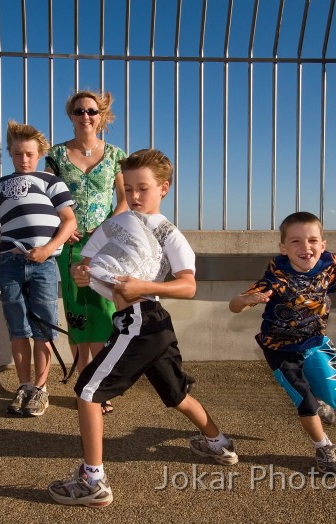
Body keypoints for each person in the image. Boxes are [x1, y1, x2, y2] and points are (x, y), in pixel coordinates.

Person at [47, 149, 237, 507]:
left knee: (87, 393)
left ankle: (93, 481)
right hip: (144, 324)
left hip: (142, 321)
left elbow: (188, 286)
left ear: (163, 188)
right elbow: (85, 265)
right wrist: (80, 274)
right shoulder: (113, 224)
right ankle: (220, 444)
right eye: (128, 188)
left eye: (143, 188)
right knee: (177, 396)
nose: (134, 196)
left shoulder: (169, 234)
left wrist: (144, 287)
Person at [228, 211, 336, 475]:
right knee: (304, 401)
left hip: (315, 342)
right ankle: (323, 448)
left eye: (312, 240)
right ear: (283, 248)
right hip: (281, 350)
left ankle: (323, 400)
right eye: (295, 241)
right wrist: (245, 300)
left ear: (322, 244)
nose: (305, 247)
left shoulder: (328, 266)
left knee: (332, 397)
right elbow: (235, 304)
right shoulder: (276, 280)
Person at [0, 120, 76, 417]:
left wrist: (48, 249)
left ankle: (41, 389)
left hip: (44, 264)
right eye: (18, 154)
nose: (24, 160)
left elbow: (69, 221)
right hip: (10, 264)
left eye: (30, 154)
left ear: (40, 154)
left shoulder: (52, 182)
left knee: (43, 329)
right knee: (18, 329)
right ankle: (24, 385)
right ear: (10, 153)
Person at [45, 90, 128, 415]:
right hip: (71, 244)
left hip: (106, 243)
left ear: (101, 114)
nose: (86, 116)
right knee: (79, 314)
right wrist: (60, 223)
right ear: (71, 115)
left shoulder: (115, 154)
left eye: (92, 111)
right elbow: (44, 194)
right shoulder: (56, 154)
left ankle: (100, 384)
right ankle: (86, 385)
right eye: (79, 111)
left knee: (106, 312)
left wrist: (107, 228)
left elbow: (124, 198)